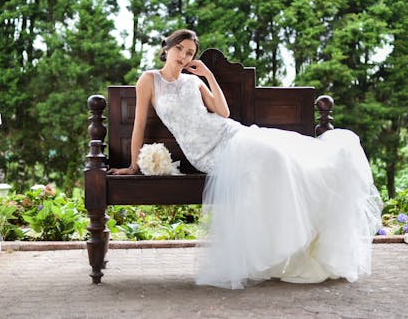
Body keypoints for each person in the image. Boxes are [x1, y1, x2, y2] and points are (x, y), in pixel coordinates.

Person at [109, 29, 382, 289]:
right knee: (273, 157)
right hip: (206, 152)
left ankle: (302, 237)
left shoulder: (193, 80)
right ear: (167, 48)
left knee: (280, 155)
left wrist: (207, 75)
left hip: (229, 134)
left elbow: (223, 113)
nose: (183, 56)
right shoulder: (149, 80)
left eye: (190, 53)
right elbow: (139, 124)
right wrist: (134, 165)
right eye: (179, 49)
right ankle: (288, 242)